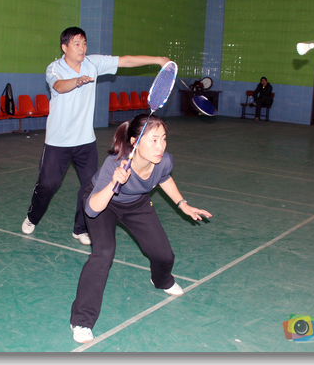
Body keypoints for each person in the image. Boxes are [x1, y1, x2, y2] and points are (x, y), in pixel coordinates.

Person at [69, 113, 212, 343]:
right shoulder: (114, 164)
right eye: (153, 140)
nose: (160, 146)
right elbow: (92, 209)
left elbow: (164, 178)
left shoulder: (164, 160)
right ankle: (81, 320)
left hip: (137, 204)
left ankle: (161, 280)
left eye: (163, 139)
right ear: (135, 142)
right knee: (103, 253)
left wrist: (182, 204)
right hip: (104, 203)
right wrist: (114, 183)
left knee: (164, 255)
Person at [21, 26, 170, 246]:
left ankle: (80, 228)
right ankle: (32, 217)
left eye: (84, 43)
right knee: (48, 185)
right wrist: (77, 81)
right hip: (58, 142)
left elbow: (126, 61)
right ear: (64, 47)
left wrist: (158, 60)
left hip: (85, 142)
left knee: (91, 187)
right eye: (76, 44)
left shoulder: (93, 63)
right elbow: (59, 86)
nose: (82, 48)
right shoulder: (54, 68)